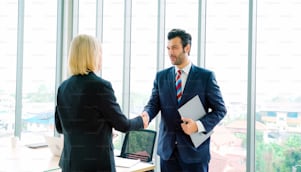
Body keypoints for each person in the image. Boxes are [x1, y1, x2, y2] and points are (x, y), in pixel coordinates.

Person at [55, 34, 149, 172]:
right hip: (96, 166)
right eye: (99, 52)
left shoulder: (63, 87)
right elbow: (123, 124)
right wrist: (142, 121)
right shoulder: (100, 86)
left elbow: (60, 127)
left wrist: (100, 131)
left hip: (70, 165)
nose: (101, 57)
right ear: (92, 55)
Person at [142, 29, 227, 172]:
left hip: (195, 153)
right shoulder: (161, 77)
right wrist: (146, 114)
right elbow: (153, 104)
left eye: (174, 48)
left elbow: (220, 110)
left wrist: (198, 125)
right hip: (168, 153)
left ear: (187, 48)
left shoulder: (205, 77)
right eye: (168, 48)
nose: (170, 52)